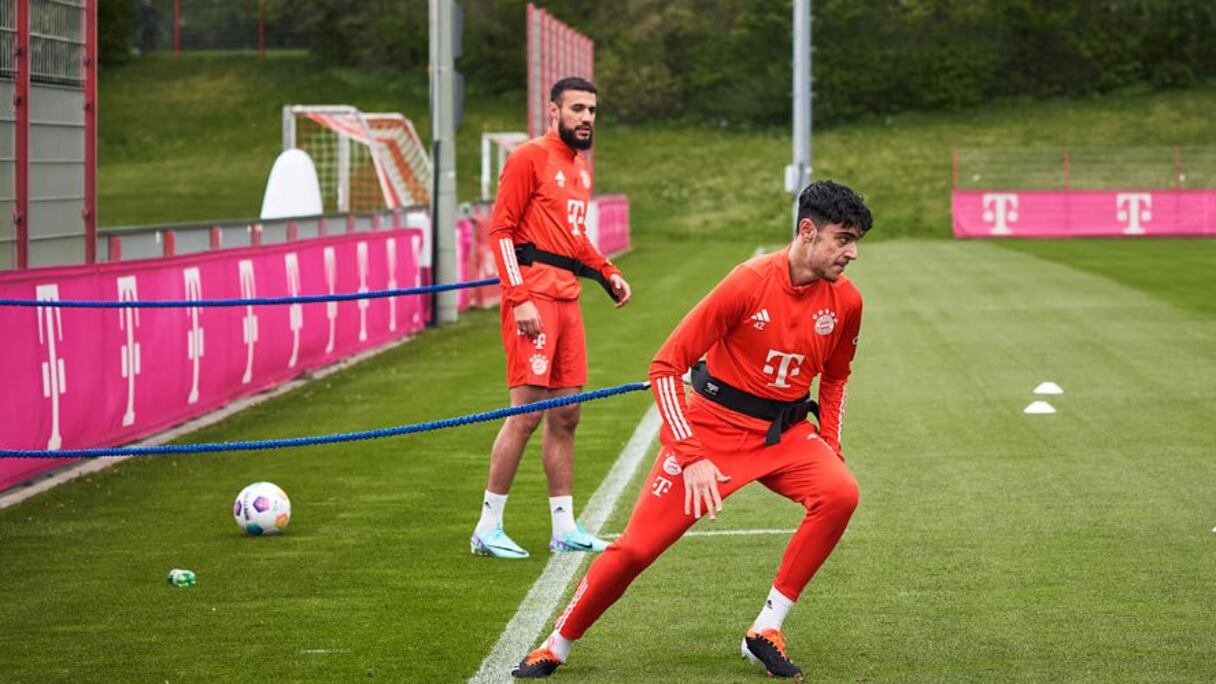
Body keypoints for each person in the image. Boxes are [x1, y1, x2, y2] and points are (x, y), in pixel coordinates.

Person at [511, 180, 873, 679]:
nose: (852, 252)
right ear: (807, 231)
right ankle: (557, 643)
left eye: (856, 241)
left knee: (840, 493)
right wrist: (692, 454)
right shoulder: (747, 282)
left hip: (783, 436)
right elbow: (666, 366)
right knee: (636, 549)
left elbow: (835, 378)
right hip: (711, 432)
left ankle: (765, 629)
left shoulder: (847, 302)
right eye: (843, 238)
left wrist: (830, 444)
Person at [470, 77, 633, 559]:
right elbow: (499, 231)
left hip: (567, 300)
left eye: (592, 110)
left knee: (567, 414)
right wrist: (518, 296)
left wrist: (607, 272)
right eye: (577, 108)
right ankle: (487, 527)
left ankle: (563, 529)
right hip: (533, 298)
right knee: (524, 414)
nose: (586, 118)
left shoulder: (580, 168)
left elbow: (574, 239)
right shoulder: (528, 158)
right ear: (553, 112)